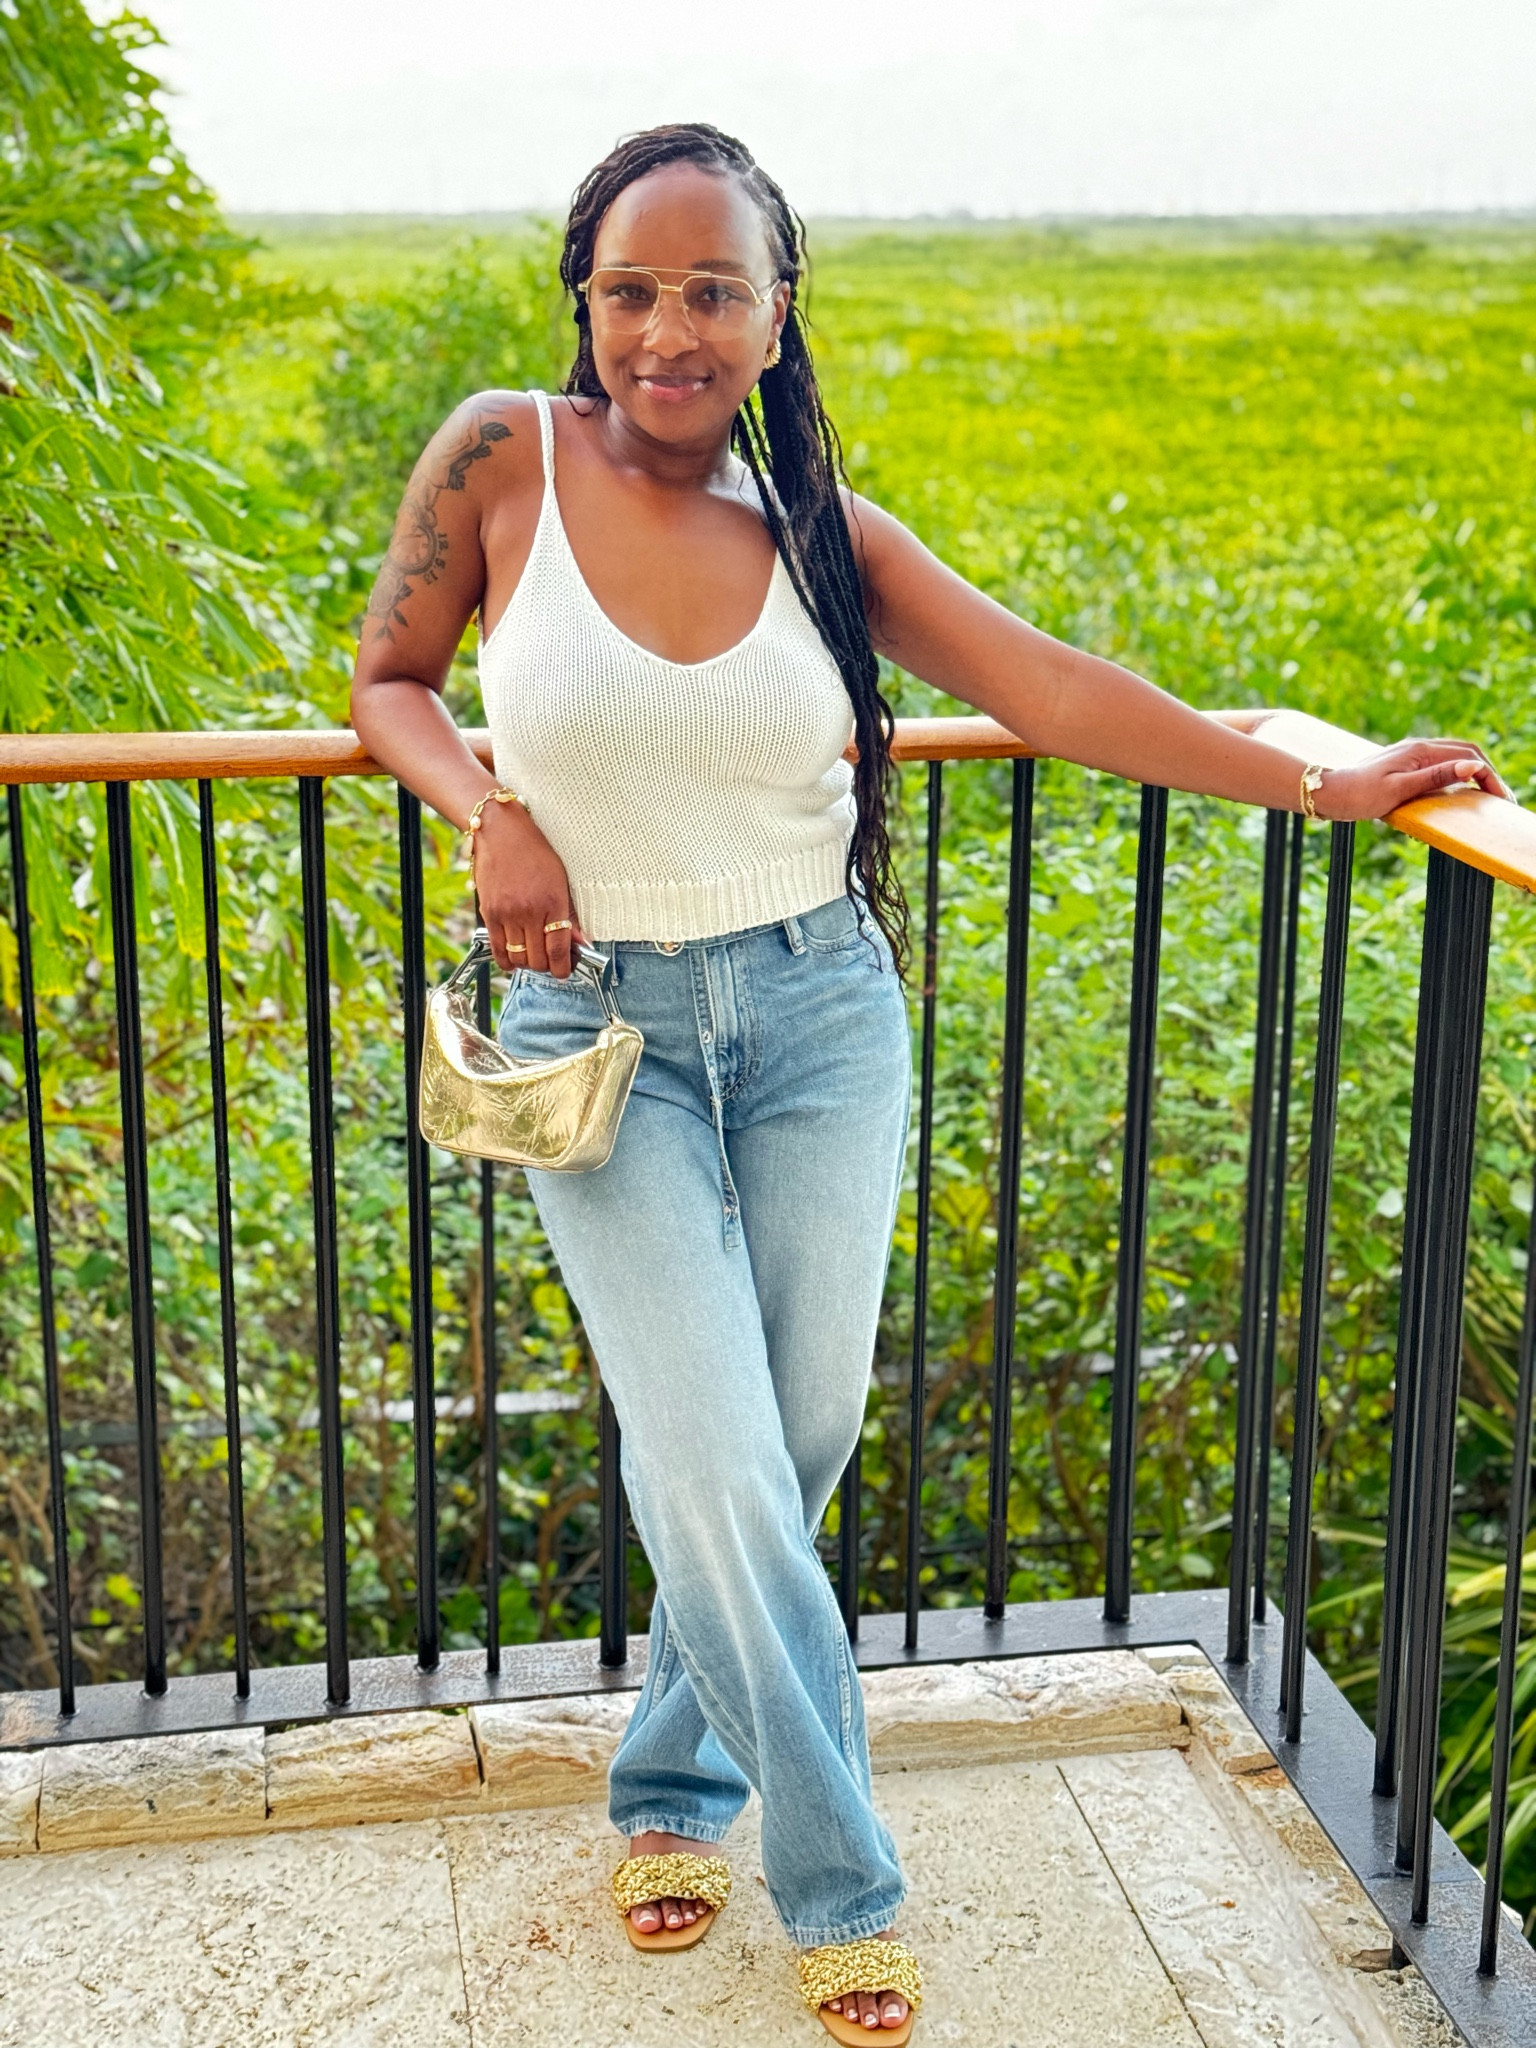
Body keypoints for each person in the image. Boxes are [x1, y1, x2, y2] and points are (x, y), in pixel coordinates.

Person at [349, 122, 1508, 2043]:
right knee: (714, 1453)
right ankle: (843, 1880)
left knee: (786, 1444)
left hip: (816, 1016)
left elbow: (1052, 688)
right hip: (590, 1030)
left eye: (714, 291)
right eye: (633, 289)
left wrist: (1324, 777)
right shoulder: (499, 457)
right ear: (584, 299)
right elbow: (389, 677)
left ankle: (667, 1783)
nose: (668, 329)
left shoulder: (823, 531)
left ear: (777, 312)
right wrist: (492, 813)